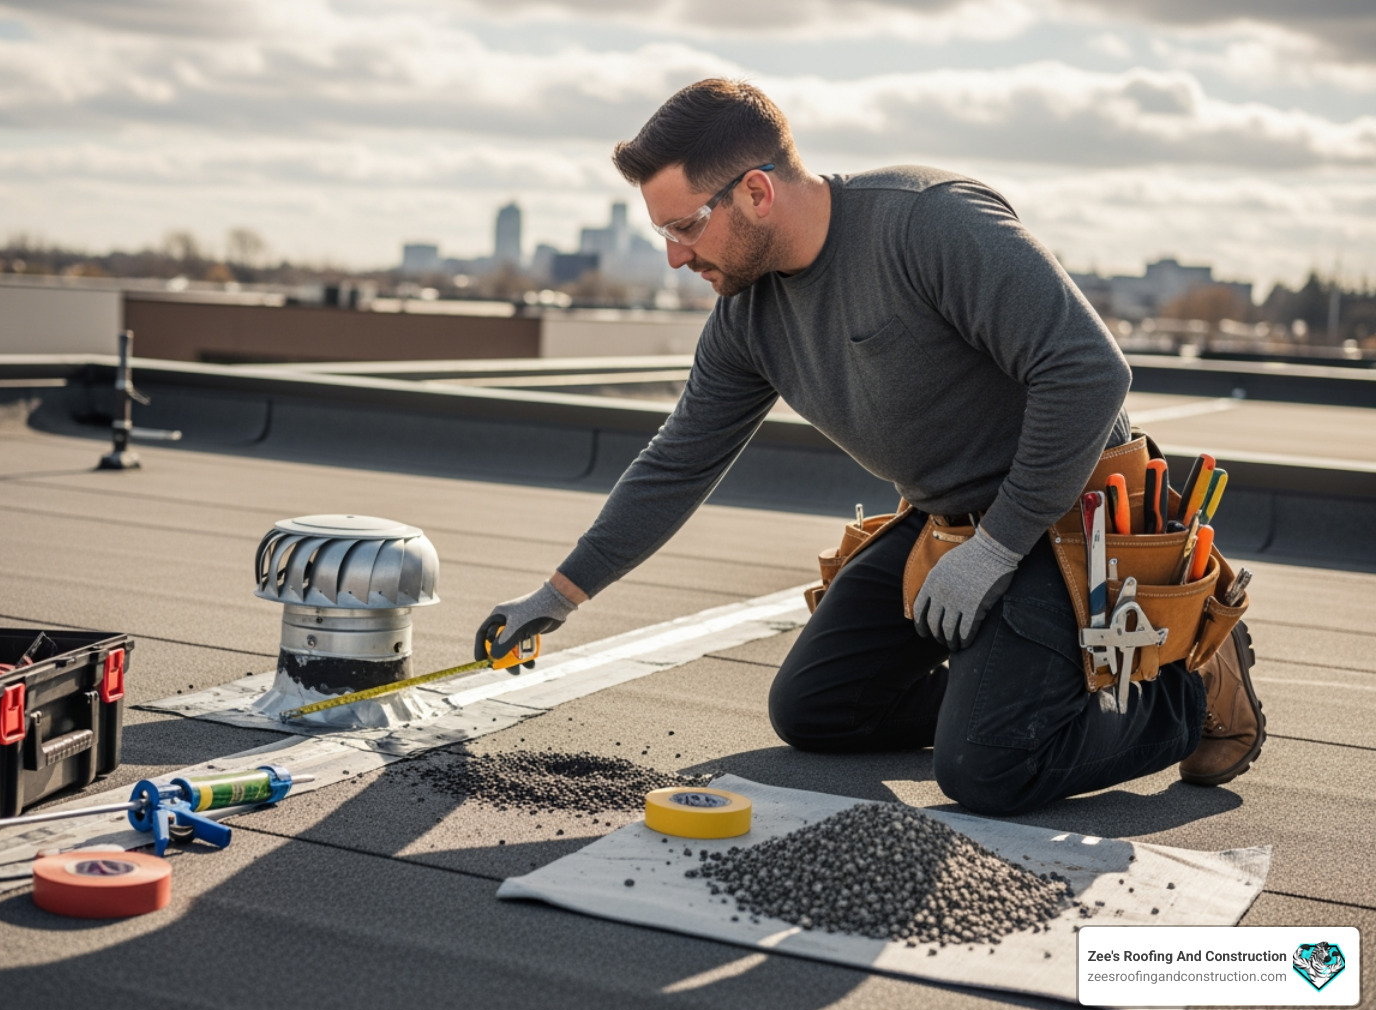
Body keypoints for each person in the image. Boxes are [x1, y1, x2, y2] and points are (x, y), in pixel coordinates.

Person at [474, 79, 1264, 815]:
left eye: (685, 226)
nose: (676, 255)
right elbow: (678, 460)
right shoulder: (746, 318)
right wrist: (559, 594)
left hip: (1070, 515)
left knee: (986, 770)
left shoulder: (929, 221)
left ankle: (1189, 691)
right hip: (947, 525)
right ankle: (1009, 696)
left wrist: (995, 550)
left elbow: (1091, 374)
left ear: (755, 190)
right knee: (814, 709)